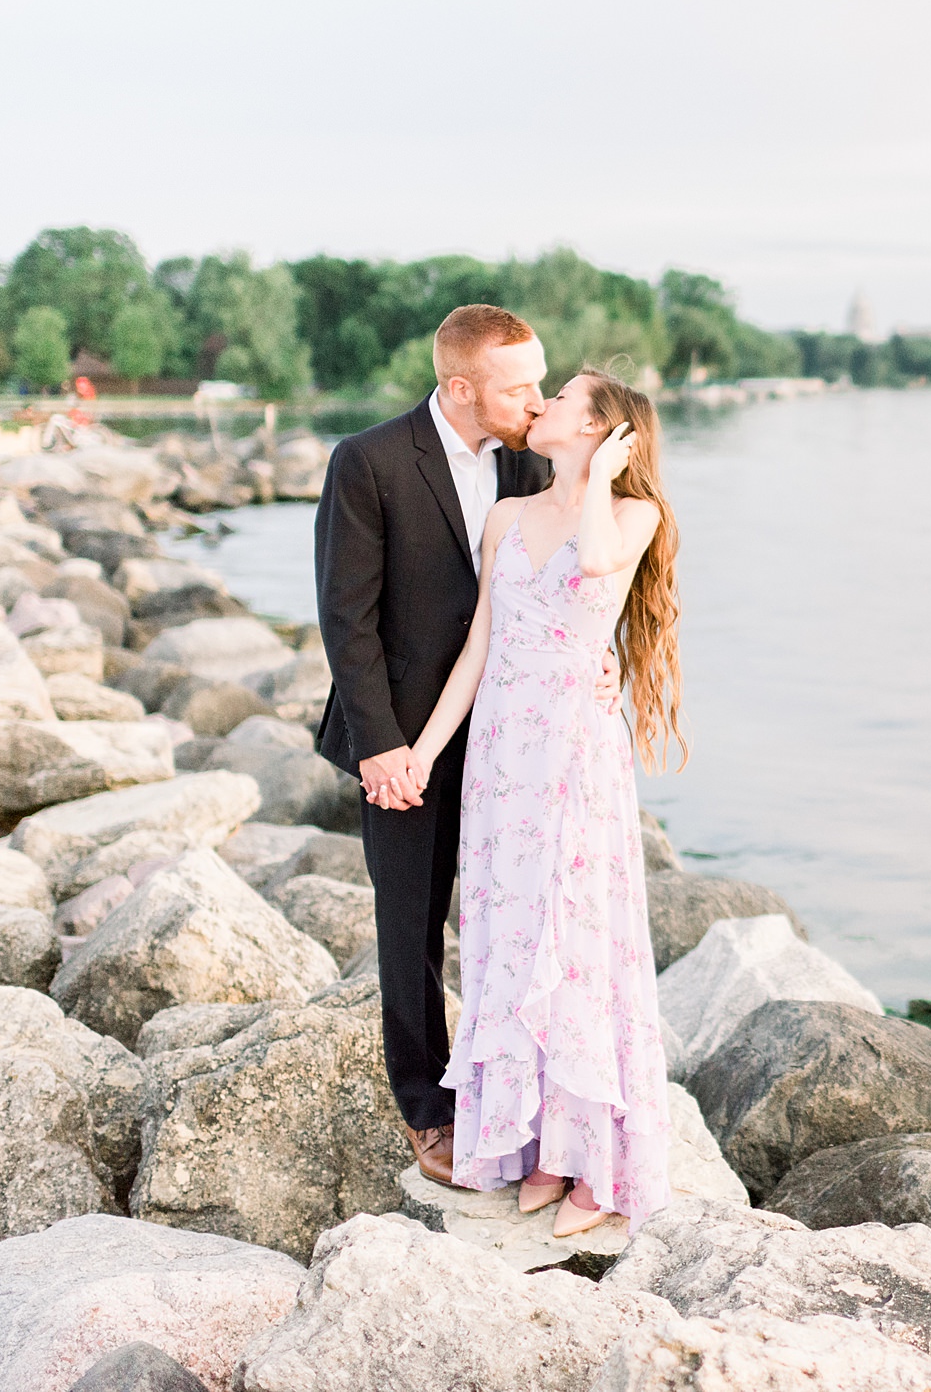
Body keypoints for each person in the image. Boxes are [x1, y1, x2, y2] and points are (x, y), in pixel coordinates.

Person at [401, 366, 683, 1237]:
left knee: (577, 938)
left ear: (601, 430)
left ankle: (588, 1162)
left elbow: (598, 562)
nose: (544, 404)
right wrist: (422, 753)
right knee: (512, 936)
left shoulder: (634, 514)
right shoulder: (505, 518)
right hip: (500, 756)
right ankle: (533, 1149)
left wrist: (599, 480)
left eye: (562, 398)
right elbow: (481, 643)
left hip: (572, 752)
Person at [313, 304, 561, 1186]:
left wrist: (604, 667)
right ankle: (426, 1107)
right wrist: (381, 745)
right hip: (406, 740)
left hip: (515, 736)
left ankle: (521, 1100)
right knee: (412, 925)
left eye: (540, 379)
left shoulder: (541, 459)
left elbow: (584, 570)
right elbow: (347, 620)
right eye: (518, 385)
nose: (538, 398)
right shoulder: (369, 462)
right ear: (461, 388)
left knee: (515, 922)